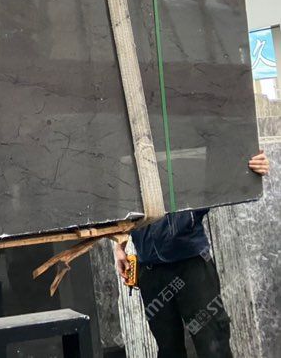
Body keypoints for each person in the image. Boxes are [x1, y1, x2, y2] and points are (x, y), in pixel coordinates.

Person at [113, 151, 270, 358]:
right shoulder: (128, 147)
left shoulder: (182, 140)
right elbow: (122, 198)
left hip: (192, 264)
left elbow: (220, 155)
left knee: (214, 345)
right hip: (151, 269)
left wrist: (249, 167)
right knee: (168, 350)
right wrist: (119, 245)